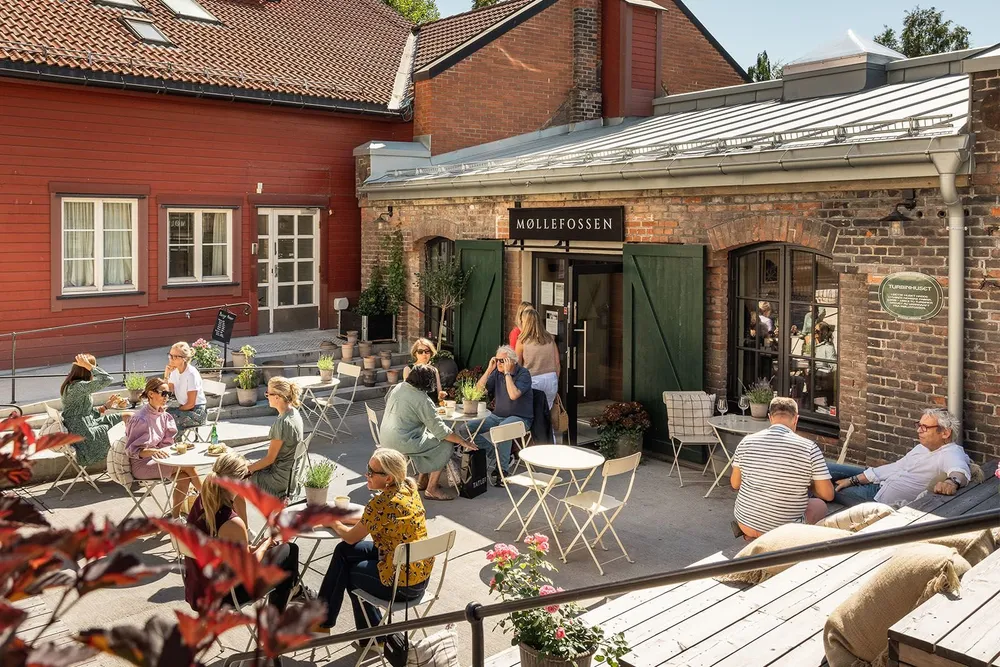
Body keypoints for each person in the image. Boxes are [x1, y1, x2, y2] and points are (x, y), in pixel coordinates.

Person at [318, 449, 434, 643]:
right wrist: (341, 519)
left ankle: (370, 638)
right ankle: (323, 622)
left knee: (350, 571)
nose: (366, 474)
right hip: (419, 575)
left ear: (388, 478)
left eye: (371, 472)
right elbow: (370, 521)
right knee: (343, 551)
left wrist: (332, 522)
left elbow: (350, 537)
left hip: (402, 586)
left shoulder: (381, 504)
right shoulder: (408, 489)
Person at [184, 452, 303, 621]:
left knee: (283, 559)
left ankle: (292, 592)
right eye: (248, 475)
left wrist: (257, 547)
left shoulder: (203, 502)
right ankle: (281, 611)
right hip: (224, 596)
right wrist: (266, 543)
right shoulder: (232, 522)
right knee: (290, 551)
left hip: (197, 589)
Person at [730, 396, 834, 539]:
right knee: (820, 505)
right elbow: (828, 494)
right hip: (783, 532)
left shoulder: (746, 441)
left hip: (745, 523)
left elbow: (735, 483)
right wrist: (808, 485)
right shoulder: (809, 448)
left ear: (770, 418)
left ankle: (755, 535)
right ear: (796, 419)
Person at [828, 408, 971, 507]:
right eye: (919, 425)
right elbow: (896, 467)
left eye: (925, 427)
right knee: (825, 468)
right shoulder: (922, 447)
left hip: (878, 497)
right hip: (879, 479)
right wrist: (853, 479)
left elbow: (959, 471)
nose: (918, 430)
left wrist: (951, 483)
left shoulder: (950, 453)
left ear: (945, 433)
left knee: (824, 488)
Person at [380, 365, 476, 501]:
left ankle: (422, 480)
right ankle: (432, 489)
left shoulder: (399, 387)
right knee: (446, 444)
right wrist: (463, 441)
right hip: (402, 441)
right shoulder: (422, 399)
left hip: (385, 437)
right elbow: (442, 432)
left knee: (429, 438)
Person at [125, 377, 201, 518]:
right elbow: (131, 451)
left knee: (184, 478)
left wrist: (175, 449)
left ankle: (175, 517)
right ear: (151, 394)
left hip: (159, 458)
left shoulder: (164, 415)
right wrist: (153, 451)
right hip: (142, 464)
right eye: (163, 393)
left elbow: (166, 444)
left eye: (169, 394)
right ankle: (210, 501)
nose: (167, 397)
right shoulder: (140, 419)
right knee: (189, 467)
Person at [472, 345, 533, 483]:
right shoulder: (496, 373)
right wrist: (489, 369)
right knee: (466, 429)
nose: (499, 363)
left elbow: (513, 395)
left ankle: (502, 470)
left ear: (512, 361)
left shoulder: (523, 373)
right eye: (497, 360)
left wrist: (507, 373)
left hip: (521, 419)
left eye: (502, 361)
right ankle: (497, 456)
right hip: (496, 416)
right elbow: (477, 392)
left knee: (503, 429)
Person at [60, 353, 130, 467]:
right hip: (86, 437)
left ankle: (129, 458)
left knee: (128, 416)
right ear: (86, 369)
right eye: (95, 366)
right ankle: (128, 462)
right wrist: (90, 366)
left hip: (88, 426)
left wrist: (105, 407)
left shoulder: (73, 385)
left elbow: (83, 412)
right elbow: (107, 379)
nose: (95, 368)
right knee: (121, 432)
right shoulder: (78, 387)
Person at [248, 377, 305, 499]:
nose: (267, 397)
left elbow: (270, 459)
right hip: (292, 475)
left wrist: (246, 469)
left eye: (268, 394)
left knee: (238, 479)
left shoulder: (283, 423)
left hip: (280, 480)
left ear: (277, 397)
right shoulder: (294, 413)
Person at [515, 308, 560, 408]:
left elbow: (517, 366)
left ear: (525, 323)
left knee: (532, 411)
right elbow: (557, 363)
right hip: (550, 378)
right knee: (546, 411)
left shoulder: (522, 341)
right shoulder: (550, 338)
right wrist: (556, 379)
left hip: (533, 379)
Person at [164, 341, 207, 431]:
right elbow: (168, 392)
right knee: (160, 414)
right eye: (170, 355)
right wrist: (166, 374)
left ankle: (174, 440)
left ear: (184, 358)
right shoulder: (174, 372)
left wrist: (177, 410)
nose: (171, 359)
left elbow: (190, 404)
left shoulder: (191, 374)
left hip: (197, 412)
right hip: (185, 409)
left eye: (175, 356)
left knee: (169, 419)